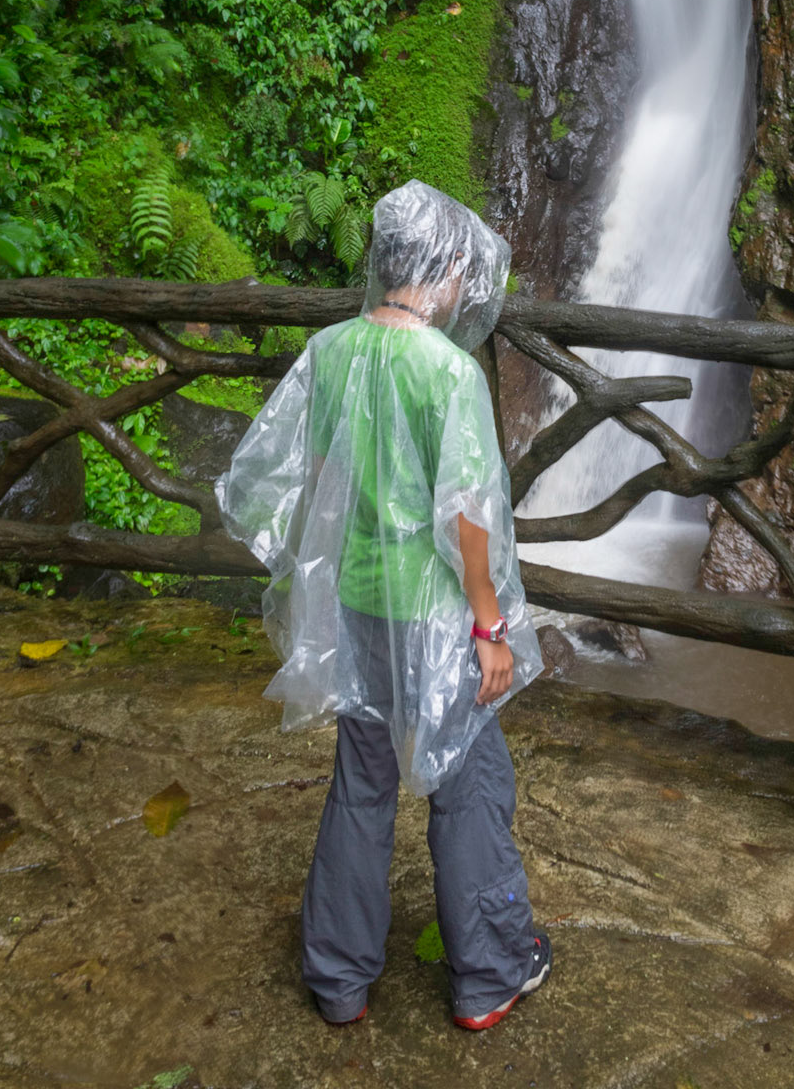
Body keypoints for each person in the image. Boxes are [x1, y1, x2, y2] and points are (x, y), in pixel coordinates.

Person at [218, 181, 549, 1031]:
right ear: (437, 269)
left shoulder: (331, 350)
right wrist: (489, 627)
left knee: (361, 784)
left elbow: (319, 470)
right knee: (467, 787)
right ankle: (490, 973)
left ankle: (337, 976)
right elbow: (468, 517)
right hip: (434, 614)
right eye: (462, 274)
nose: (463, 292)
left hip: (357, 602)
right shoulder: (447, 372)